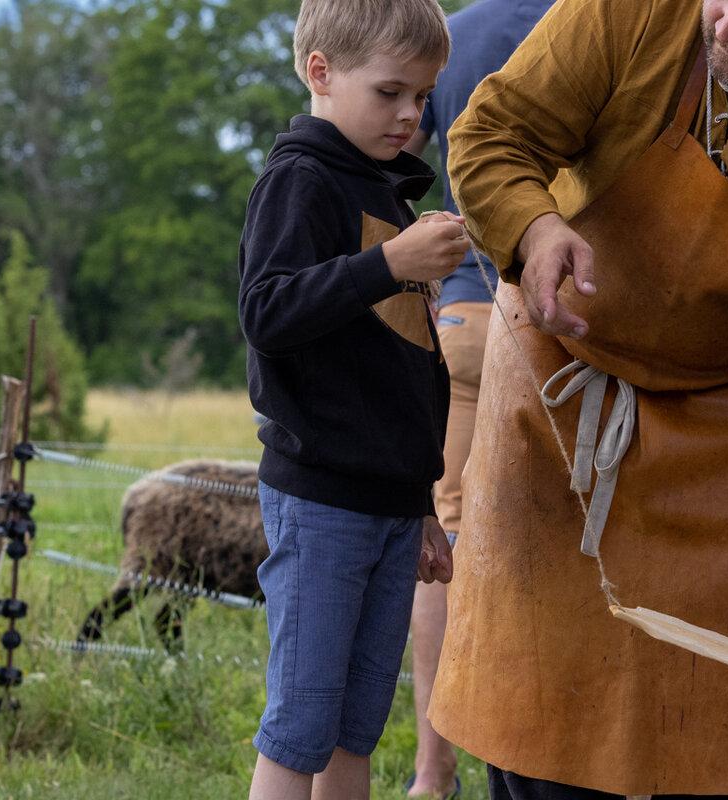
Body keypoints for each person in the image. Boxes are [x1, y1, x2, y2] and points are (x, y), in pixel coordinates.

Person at [431, 0, 728, 795]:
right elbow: (492, 135)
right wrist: (532, 227)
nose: (727, 27)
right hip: (561, 400)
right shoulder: (627, 12)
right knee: (541, 722)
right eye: (721, 0)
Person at [235, 0, 460, 795]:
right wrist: (390, 263)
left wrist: (422, 503)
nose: (410, 115)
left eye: (424, 97)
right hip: (322, 500)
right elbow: (267, 313)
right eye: (391, 92)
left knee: (356, 729)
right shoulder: (301, 181)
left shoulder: (386, 193)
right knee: (301, 726)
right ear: (320, 72)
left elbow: (406, 375)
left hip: (390, 508)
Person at [400, 1, 554, 796]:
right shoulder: (591, 27)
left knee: (446, 553)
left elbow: (400, 149)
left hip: (459, 310)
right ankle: (540, 754)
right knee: (550, 544)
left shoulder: (454, 33)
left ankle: (434, 772)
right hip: (555, 316)